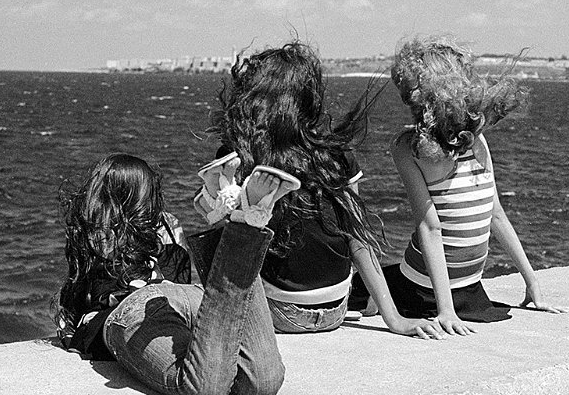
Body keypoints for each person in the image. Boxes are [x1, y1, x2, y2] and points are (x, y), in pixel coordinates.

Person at [191, 40, 448, 340]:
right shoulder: (335, 154)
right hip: (335, 309)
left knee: (224, 219)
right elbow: (358, 238)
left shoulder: (241, 155)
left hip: (279, 312)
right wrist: (395, 319)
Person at [349, 35, 569, 335]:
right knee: (388, 275)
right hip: (471, 291)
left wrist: (445, 311)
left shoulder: (406, 147)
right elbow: (496, 215)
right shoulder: (477, 139)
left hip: (423, 291)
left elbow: (431, 228)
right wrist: (532, 282)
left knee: (361, 283)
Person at [52, 152, 288, 395]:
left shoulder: (95, 231)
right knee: (260, 384)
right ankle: (228, 215)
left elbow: (78, 304)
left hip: (132, 307)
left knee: (204, 388)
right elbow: (179, 280)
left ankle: (240, 222)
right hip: (182, 295)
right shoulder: (166, 225)